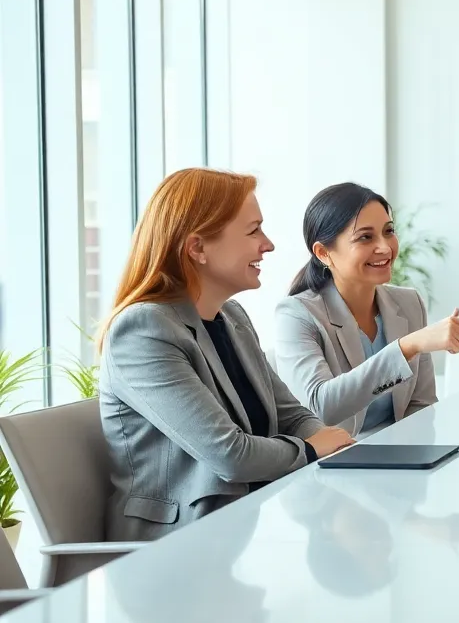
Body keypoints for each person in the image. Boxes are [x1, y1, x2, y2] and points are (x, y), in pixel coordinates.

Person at [98, 168, 354, 542]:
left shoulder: (231, 316)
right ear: (197, 248)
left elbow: (291, 414)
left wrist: (334, 443)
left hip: (246, 524)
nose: (268, 245)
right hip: (173, 549)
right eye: (253, 231)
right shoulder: (142, 331)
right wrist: (313, 449)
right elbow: (229, 455)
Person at [274, 183, 459, 436]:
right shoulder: (296, 314)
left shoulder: (409, 303)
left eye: (388, 231)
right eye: (365, 237)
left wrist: (416, 462)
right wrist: (407, 347)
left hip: (398, 458)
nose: (385, 247)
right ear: (324, 252)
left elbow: (421, 405)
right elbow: (320, 407)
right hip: (329, 463)